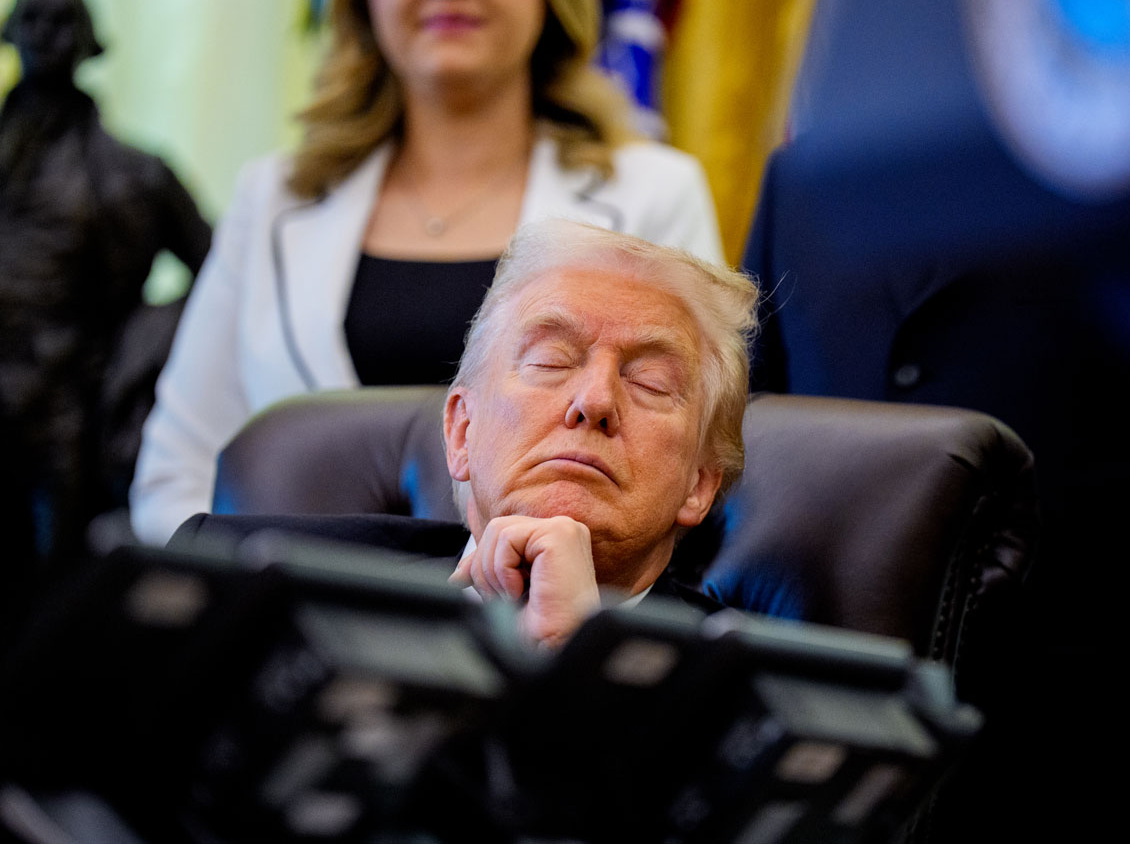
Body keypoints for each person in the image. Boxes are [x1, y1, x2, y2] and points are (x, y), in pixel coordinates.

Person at [131, 0, 724, 545]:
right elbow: (176, 475)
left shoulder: (657, 194)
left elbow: (695, 462)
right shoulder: (272, 198)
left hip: (547, 627)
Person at [172, 218, 759, 648]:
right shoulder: (233, 577)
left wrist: (580, 662)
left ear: (700, 486)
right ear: (460, 430)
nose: (596, 400)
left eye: (652, 383)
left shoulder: (749, 692)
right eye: (552, 360)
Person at [0, 0, 211, 576]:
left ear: (91, 42)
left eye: (61, 20)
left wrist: (145, 340)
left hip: (69, 402)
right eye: (32, 19)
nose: (44, 34)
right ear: (10, 32)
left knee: (58, 586)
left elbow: (221, 276)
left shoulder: (135, 174)